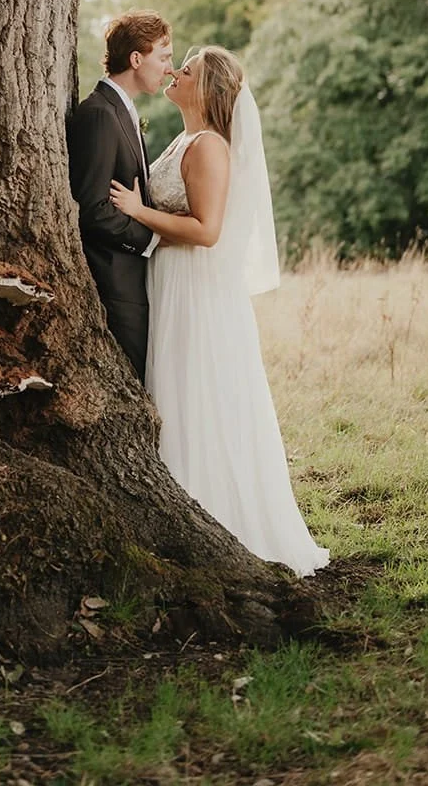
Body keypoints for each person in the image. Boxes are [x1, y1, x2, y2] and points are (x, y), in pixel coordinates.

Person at [109, 45, 329, 576]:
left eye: (186, 70)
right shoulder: (185, 138)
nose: (175, 73)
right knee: (178, 390)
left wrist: (140, 212)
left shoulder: (209, 147)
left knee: (196, 394)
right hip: (174, 282)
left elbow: (207, 231)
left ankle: (215, 514)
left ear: (205, 89)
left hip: (196, 290)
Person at [66, 12, 174, 381]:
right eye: (164, 57)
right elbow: (92, 210)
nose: (169, 68)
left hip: (133, 282)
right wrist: (153, 239)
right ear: (136, 59)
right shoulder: (99, 115)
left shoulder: (121, 112)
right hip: (115, 286)